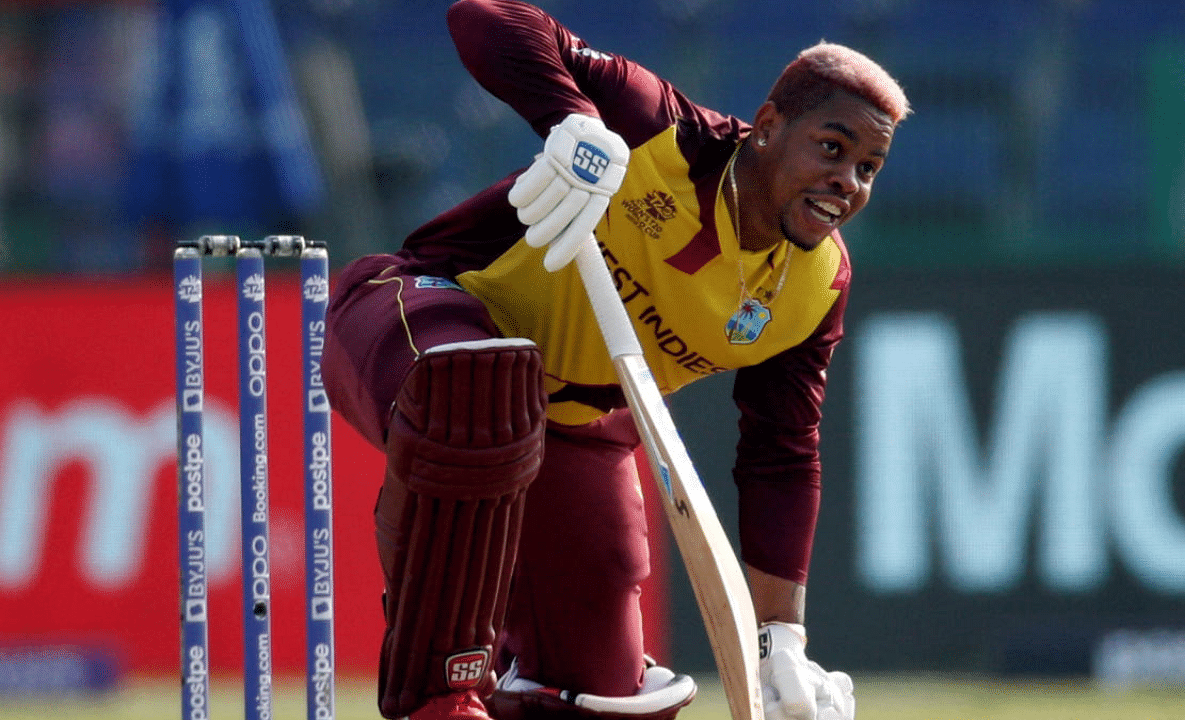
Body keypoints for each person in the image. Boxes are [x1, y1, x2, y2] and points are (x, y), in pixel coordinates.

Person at [320, 1, 910, 719]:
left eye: (868, 167)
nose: (848, 181)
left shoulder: (818, 288)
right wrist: (571, 119)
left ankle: (517, 682)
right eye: (832, 147)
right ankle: (438, 694)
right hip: (415, 314)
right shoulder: (663, 132)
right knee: (479, 393)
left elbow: (781, 455)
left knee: (602, 698)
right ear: (771, 125)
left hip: (565, 424)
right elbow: (483, 17)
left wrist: (779, 636)